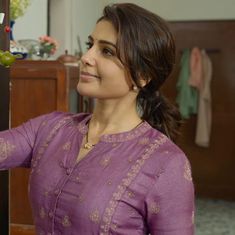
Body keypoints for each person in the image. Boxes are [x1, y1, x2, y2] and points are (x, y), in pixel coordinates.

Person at [0, 3, 194, 235]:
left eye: (107, 51)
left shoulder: (166, 164)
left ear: (143, 76)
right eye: (91, 45)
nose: (86, 57)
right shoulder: (51, 127)